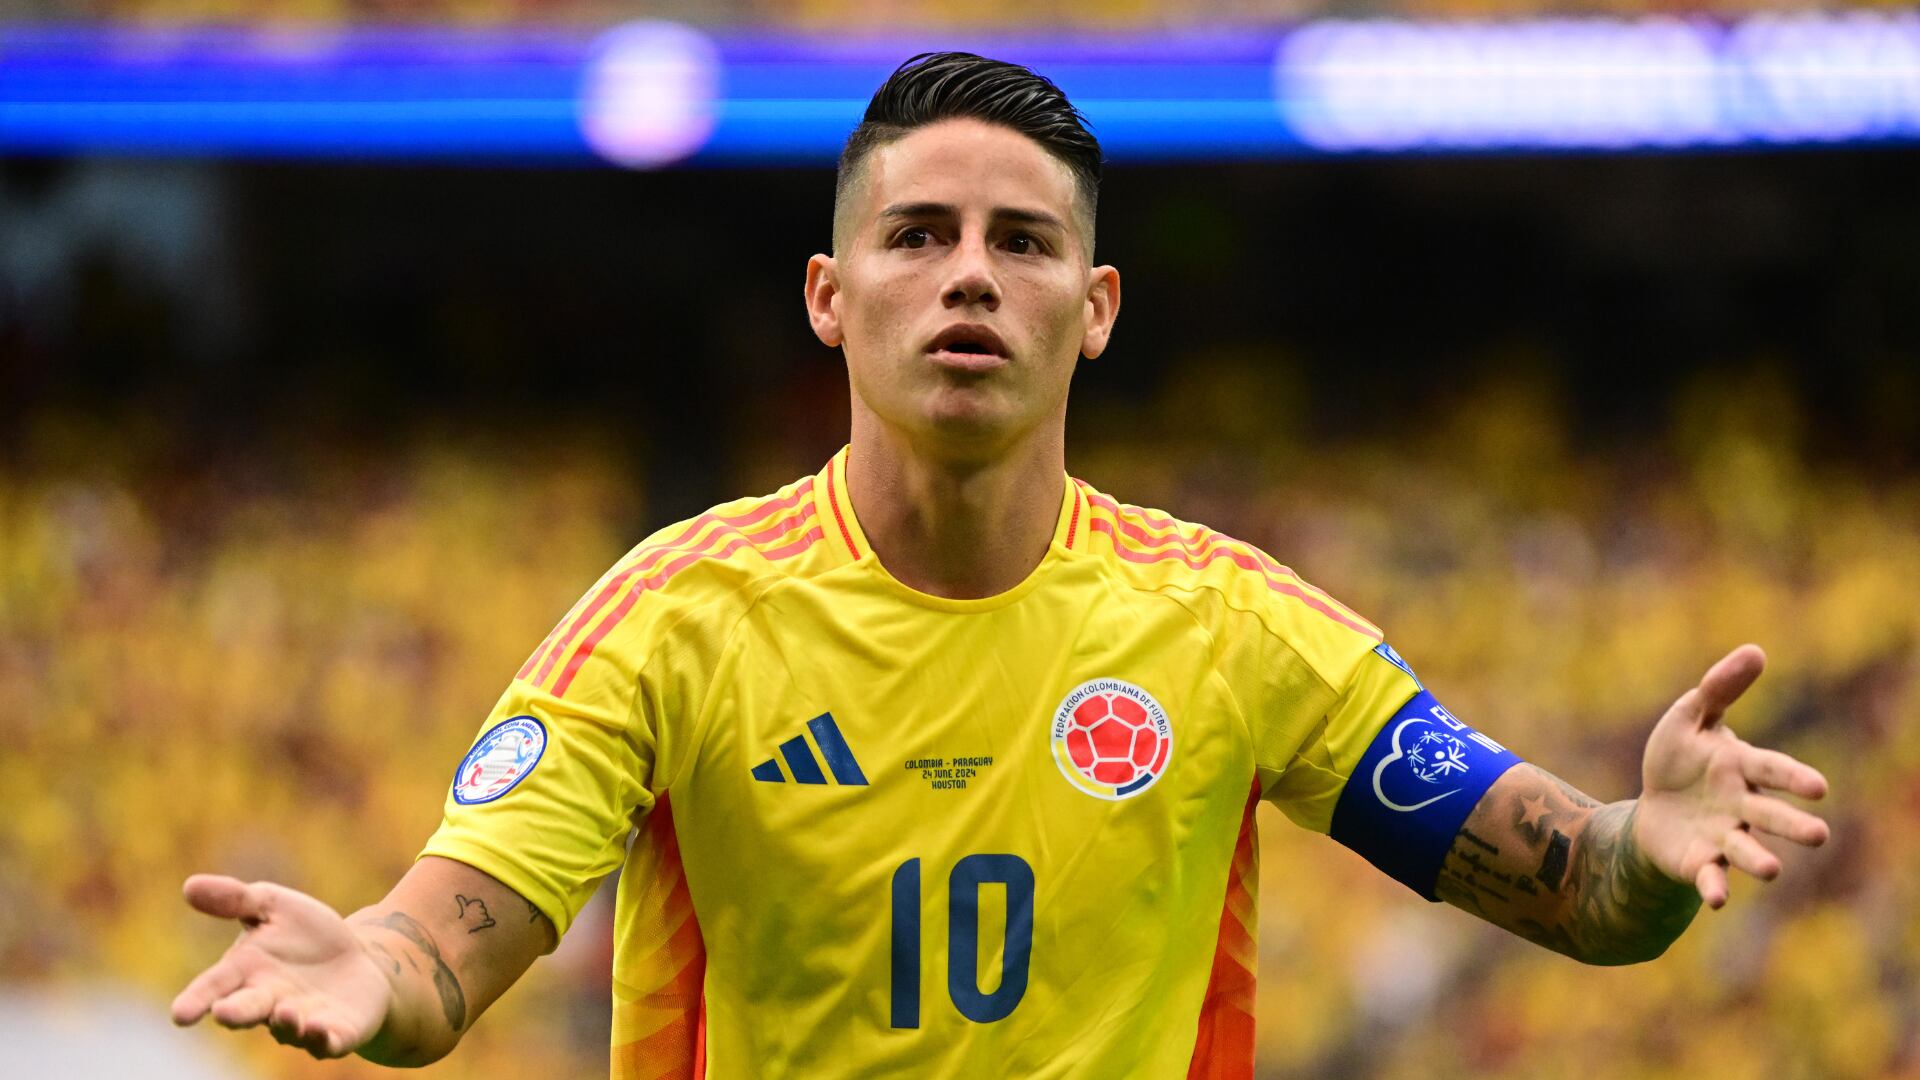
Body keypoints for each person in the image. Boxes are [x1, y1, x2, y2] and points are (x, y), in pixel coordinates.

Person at [170, 52, 1831, 1077]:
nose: (970, 276)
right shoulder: (673, 621)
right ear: (830, 296)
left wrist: (1640, 844)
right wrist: (373, 968)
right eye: (919, 235)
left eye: (1022, 242)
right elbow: (447, 945)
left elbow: (1574, 887)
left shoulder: (1229, 626)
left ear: (1093, 310)